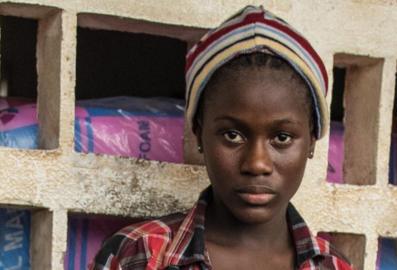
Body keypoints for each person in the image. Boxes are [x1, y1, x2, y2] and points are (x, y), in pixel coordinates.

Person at [91, 5, 353, 270]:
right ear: (199, 133)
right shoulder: (140, 254)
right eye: (232, 135)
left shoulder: (332, 266)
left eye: (282, 138)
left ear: (312, 141)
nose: (257, 164)